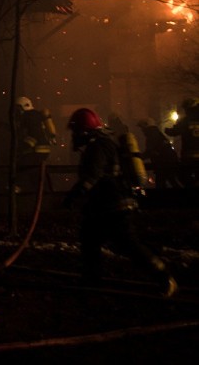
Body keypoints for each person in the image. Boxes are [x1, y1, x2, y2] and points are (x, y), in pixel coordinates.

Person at [63, 107, 177, 297]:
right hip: (103, 206)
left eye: (76, 130)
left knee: (127, 244)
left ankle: (163, 275)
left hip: (113, 205)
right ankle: (91, 279)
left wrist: (74, 195)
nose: (74, 135)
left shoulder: (98, 146)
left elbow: (92, 175)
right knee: (89, 240)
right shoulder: (101, 143)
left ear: (84, 130)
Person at [13, 96, 57, 192]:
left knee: (23, 165)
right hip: (43, 150)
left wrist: (22, 147)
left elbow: (34, 134)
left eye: (17, 108)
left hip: (37, 150)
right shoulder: (35, 115)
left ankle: (17, 187)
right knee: (37, 173)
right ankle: (44, 191)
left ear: (22, 107)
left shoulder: (29, 116)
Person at [164, 97, 199, 188]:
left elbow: (173, 132)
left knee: (183, 176)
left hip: (189, 156)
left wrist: (167, 129)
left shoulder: (185, 121)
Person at [136, 118, 180, 189]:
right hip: (168, 162)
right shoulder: (156, 133)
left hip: (163, 164)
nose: (142, 130)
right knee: (171, 181)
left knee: (161, 183)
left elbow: (149, 151)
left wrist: (139, 158)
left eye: (142, 127)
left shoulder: (151, 135)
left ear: (146, 126)